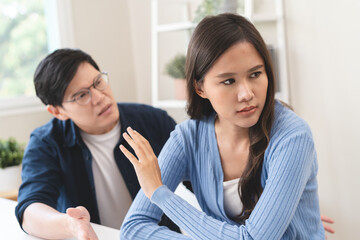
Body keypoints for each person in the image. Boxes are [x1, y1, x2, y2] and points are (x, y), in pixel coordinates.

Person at [119, 13, 326, 239]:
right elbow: (133, 227)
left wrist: (160, 193)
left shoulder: (292, 137)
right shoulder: (188, 138)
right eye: (229, 81)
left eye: (255, 74)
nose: (247, 94)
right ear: (200, 88)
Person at [15, 48, 181, 240]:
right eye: (81, 95)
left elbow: (201, 181)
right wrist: (71, 225)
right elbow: (30, 210)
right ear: (58, 112)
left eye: (98, 82)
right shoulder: (46, 142)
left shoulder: (153, 120)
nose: (99, 97)